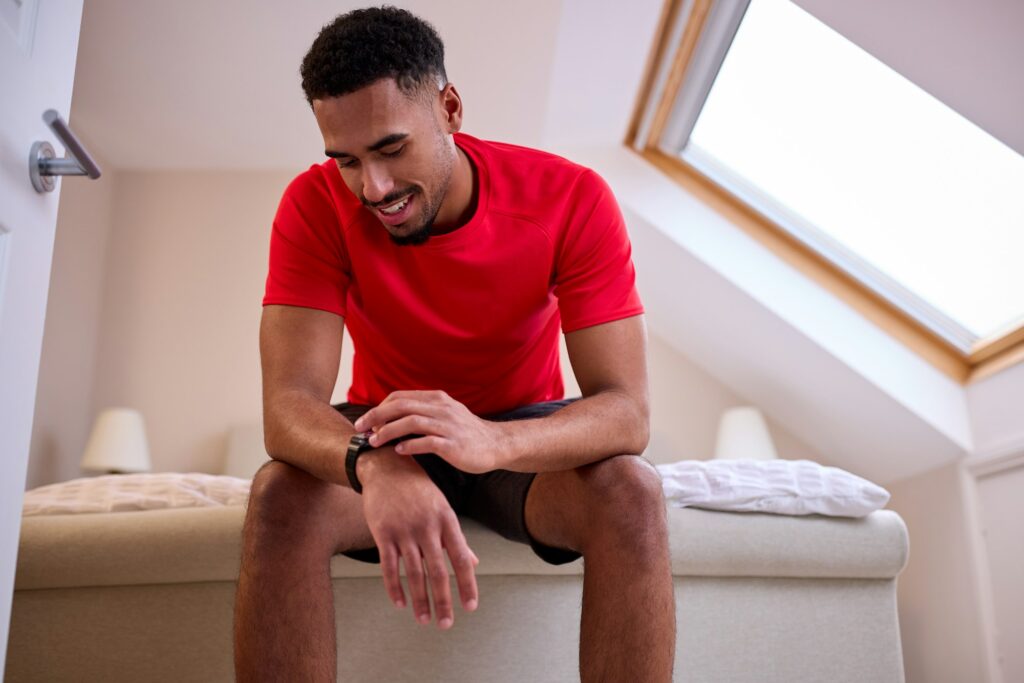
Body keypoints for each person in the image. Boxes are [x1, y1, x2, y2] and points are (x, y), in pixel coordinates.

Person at [233, 6, 674, 682]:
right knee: (277, 496)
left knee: (633, 492)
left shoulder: (571, 197)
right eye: (347, 160)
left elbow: (628, 413)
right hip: (388, 427)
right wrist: (374, 468)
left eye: (389, 148)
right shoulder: (313, 204)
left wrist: (490, 440)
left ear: (450, 107)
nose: (371, 188)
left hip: (521, 436)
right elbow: (287, 407)